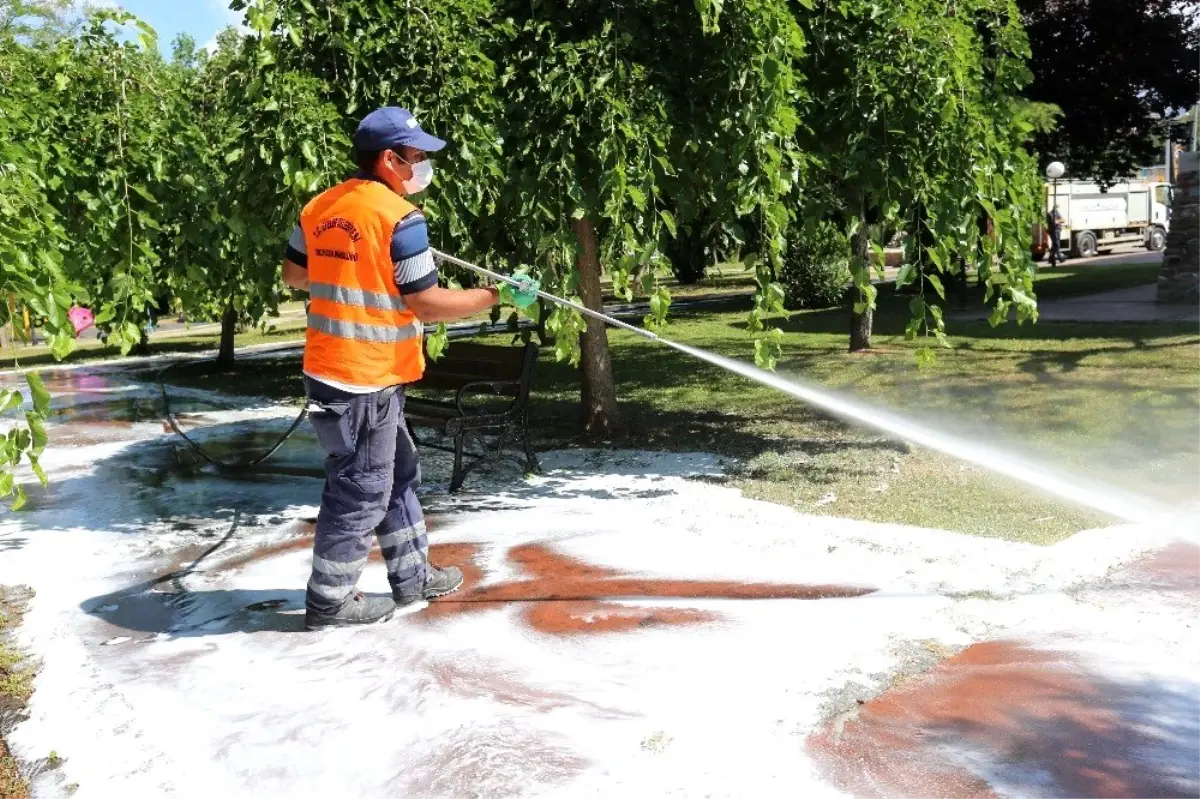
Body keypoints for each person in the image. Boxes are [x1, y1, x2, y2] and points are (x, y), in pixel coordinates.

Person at [281, 107, 537, 630]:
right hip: (364, 377)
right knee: (361, 489)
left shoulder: (319, 206)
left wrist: (353, 266)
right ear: (389, 159)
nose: (422, 165)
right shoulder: (399, 217)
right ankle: (329, 602)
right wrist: (496, 294)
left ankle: (413, 576)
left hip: (338, 371)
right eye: (416, 156)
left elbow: (293, 274)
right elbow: (427, 304)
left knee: (397, 475)